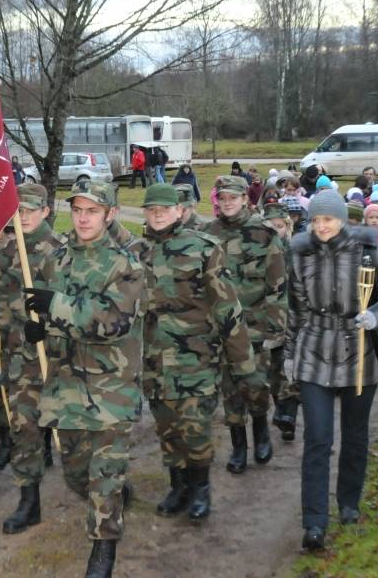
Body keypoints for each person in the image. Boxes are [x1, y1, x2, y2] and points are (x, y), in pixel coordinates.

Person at [23, 179, 144, 578]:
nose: (83, 218)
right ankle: (113, 496)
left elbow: (112, 322)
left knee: (103, 475)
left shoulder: (126, 265)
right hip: (67, 385)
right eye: (77, 210)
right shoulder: (54, 261)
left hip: (112, 387)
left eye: (92, 210)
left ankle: (103, 548)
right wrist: (38, 327)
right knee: (77, 472)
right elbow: (43, 312)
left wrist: (55, 306)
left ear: (109, 214)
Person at [284, 191, 378, 550]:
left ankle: (349, 502)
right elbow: (294, 310)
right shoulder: (300, 255)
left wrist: (375, 315)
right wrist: (290, 355)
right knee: (318, 439)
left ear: (342, 220)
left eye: (328, 220)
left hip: (359, 355)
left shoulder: (369, 254)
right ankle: (315, 523)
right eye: (316, 220)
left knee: (354, 435)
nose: (321, 226)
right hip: (314, 352)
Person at [138, 184, 254, 523]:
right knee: (167, 427)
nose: (157, 214)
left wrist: (242, 362)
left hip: (194, 359)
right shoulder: (135, 252)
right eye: (151, 209)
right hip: (154, 361)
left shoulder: (204, 249)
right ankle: (178, 487)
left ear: (180, 210)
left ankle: (201, 488)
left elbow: (227, 308)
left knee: (194, 427)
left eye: (164, 208)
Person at [0, 184, 66, 534]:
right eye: (19, 211)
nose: (23, 217)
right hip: (21, 360)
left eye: (30, 210)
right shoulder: (6, 255)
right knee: (25, 430)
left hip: (59, 361)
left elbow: (74, 307)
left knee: (77, 436)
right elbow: (0, 306)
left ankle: (106, 486)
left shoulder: (61, 253)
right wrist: (2, 329)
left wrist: (48, 328)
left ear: (45, 211)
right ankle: (28, 501)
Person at [209, 175, 288, 474]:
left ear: (245, 199)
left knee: (255, 385)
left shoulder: (264, 233)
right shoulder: (209, 233)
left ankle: (261, 431)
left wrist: (277, 329)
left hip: (256, 325)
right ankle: (239, 446)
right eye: (223, 198)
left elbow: (278, 285)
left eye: (233, 197)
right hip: (223, 328)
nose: (228, 203)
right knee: (230, 390)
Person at [261, 202, 300, 440]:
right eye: (271, 227)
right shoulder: (259, 251)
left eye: (280, 226)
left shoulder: (295, 251)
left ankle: (289, 414)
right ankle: (281, 409)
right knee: (274, 368)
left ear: (288, 226)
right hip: (269, 318)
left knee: (289, 368)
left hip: (293, 316)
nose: (276, 231)